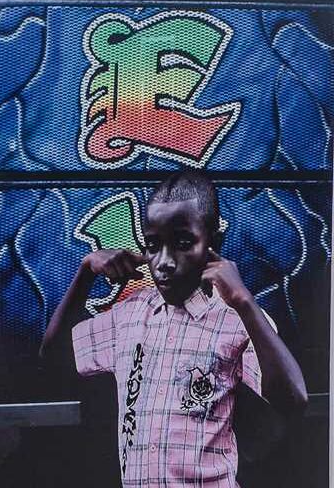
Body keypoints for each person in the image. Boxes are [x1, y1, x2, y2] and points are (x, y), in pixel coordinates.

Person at [39, 170, 307, 486]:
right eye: (153, 245)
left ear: (213, 243)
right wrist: (85, 273)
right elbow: (53, 355)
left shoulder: (236, 318)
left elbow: (293, 399)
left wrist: (244, 301)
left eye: (182, 243)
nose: (164, 261)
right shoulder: (131, 314)